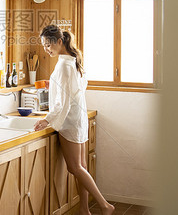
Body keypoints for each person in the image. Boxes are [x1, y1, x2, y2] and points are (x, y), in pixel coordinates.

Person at [34, 25, 114, 215]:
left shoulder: (63, 66)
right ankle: (84, 210)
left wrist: (48, 120)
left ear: (59, 42)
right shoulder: (73, 61)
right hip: (78, 118)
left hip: (69, 121)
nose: (46, 49)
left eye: (48, 45)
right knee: (82, 167)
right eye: (44, 46)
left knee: (75, 167)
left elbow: (62, 101)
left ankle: (105, 205)